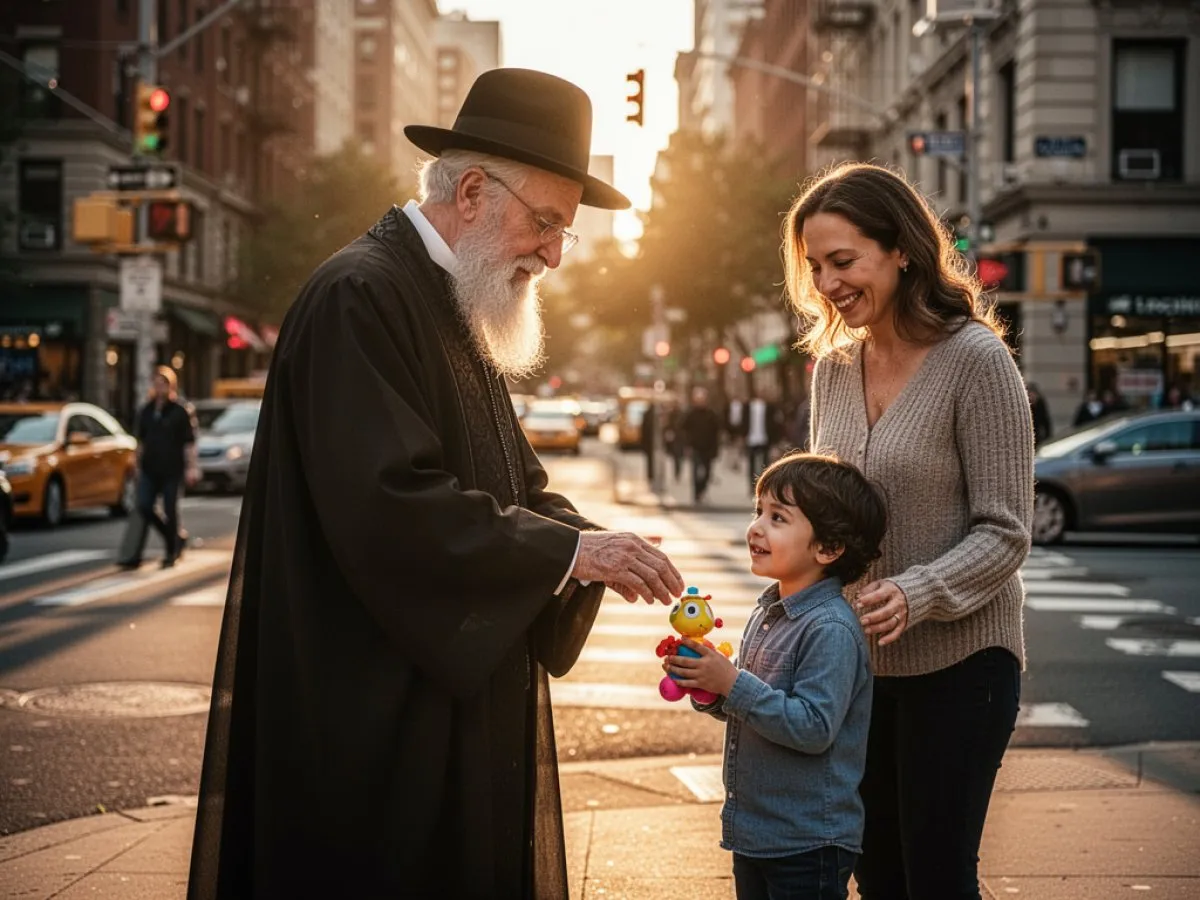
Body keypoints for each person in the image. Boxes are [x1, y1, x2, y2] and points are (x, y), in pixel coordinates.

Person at [187, 69, 684, 900]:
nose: (556, 253)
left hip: (436, 710)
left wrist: (592, 544)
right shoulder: (362, 295)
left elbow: (517, 484)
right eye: (550, 221)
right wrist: (569, 553)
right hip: (371, 721)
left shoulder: (451, 300)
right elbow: (392, 505)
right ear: (474, 191)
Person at [783, 162, 1034, 898]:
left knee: (937, 877)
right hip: (856, 672)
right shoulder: (834, 367)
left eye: (843, 261)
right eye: (814, 266)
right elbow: (828, 515)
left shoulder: (977, 361)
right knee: (878, 876)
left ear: (900, 250)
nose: (827, 284)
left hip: (963, 669)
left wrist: (919, 590)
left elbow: (1007, 529)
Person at [663, 451, 887, 900]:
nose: (757, 528)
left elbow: (813, 727)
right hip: (757, 832)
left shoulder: (831, 628)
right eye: (758, 511)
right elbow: (753, 709)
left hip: (808, 843)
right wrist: (709, 687)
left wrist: (732, 683)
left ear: (827, 548)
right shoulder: (769, 612)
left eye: (778, 517)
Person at [118, 366, 198, 569]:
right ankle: (175, 537)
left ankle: (172, 551)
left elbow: (189, 443)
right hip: (149, 468)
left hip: (173, 468)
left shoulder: (180, 411)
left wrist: (191, 467)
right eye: (157, 384)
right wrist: (135, 465)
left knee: (171, 509)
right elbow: (140, 442)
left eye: (164, 384)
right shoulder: (146, 410)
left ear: (171, 386)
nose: (160, 388)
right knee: (144, 505)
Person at [682, 386, 722, 504]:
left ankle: (702, 490)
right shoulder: (690, 414)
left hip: (708, 448)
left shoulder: (711, 414)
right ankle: (696, 494)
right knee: (695, 472)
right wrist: (687, 444)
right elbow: (683, 429)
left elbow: (716, 431)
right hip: (695, 447)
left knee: (707, 472)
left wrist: (716, 448)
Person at [1026, 382, 1052, 446]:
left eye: (1033, 395)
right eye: (1029, 395)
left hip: (1037, 434)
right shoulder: (1026, 405)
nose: (1031, 398)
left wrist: (1047, 437)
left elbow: (1046, 421)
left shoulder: (1040, 404)